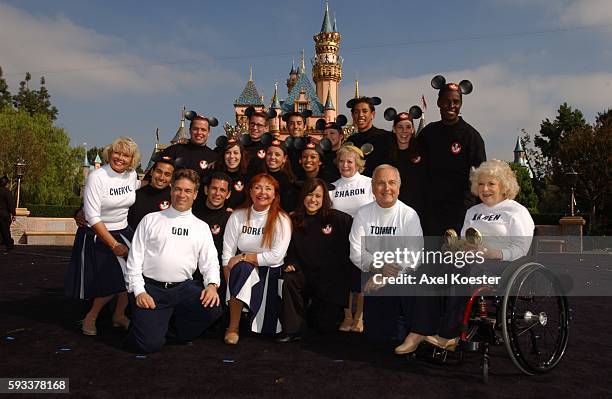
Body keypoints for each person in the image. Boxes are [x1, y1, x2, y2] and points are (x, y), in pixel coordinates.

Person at [427, 160, 535, 350]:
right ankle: (425, 327)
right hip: (472, 261)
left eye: (491, 184)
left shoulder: (516, 211)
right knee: (432, 267)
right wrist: (455, 247)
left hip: (506, 265)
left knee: (460, 271)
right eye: (481, 184)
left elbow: (521, 248)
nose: (485, 189)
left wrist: (494, 253)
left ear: (504, 185)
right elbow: (465, 240)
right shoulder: (472, 211)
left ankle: (449, 335)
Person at [125, 168, 223, 353]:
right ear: (171, 190)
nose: (182, 195)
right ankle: (145, 324)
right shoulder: (150, 220)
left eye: (187, 191)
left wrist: (212, 285)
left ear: (195, 194)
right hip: (151, 290)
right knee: (147, 346)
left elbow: (210, 261)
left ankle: (170, 329)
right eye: (178, 189)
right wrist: (139, 292)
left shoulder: (201, 227)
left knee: (213, 307)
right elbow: (134, 261)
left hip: (183, 290)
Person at [65, 137, 141, 336]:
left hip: (124, 230)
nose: (120, 158)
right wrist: (114, 244)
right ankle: (91, 317)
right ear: (110, 153)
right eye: (117, 153)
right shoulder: (97, 176)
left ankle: (119, 314)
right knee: (112, 278)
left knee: (133, 275)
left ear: (132, 159)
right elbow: (91, 216)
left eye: (126, 155)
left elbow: (139, 186)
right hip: (97, 233)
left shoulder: (131, 175)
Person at [348, 165, 426, 346]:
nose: (386, 188)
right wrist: (378, 267)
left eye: (391, 183)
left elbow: (414, 255)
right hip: (372, 275)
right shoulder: (363, 213)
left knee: (397, 339)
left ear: (399, 187)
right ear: (373, 187)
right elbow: (356, 251)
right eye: (381, 183)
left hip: (400, 279)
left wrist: (387, 275)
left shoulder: (409, 215)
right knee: (375, 340)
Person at [278, 178, 353, 342]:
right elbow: (288, 249)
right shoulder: (293, 220)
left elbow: (357, 238)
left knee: (324, 328)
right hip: (305, 276)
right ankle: (293, 329)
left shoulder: (338, 219)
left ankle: (311, 313)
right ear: (303, 196)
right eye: (309, 195)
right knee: (290, 280)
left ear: (324, 198)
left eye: (318, 196)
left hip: (329, 282)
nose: (313, 200)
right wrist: (291, 263)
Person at [222, 173, 291, 344]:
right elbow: (227, 255)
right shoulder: (238, 216)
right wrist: (231, 285)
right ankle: (233, 327)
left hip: (271, 273)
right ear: (250, 191)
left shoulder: (281, 219)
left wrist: (244, 256)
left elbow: (276, 257)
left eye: (268, 188)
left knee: (266, 332)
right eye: (258, 187)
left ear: (275, 194)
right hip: (241, 271)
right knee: (241, 269)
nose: (262, 192)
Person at [418, 76, 486, 236]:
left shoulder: (472, 136)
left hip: (461, 213)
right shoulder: (428, 133)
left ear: (461, 104)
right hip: (431, 212)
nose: (451, 105)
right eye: (447, 101)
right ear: (439, 103)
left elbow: (481, 177)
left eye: (456, 102)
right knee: (432, 259)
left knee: (458, 259)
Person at [329, 145, 375, 332]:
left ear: (358, 164)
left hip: (365, 237)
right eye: (341, 161)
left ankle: (360, 317)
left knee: (363, 277)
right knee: (345, 279)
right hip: (340, 239)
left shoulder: (369, 183)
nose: (345, 165)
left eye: (350, 161)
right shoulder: (333, 187)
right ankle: (348, 316)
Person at [193, 172, 233, 293]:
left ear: (228, 194)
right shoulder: (191, 214)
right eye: (214, 188)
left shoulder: (231, 219)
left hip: (218, 280)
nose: (217, 194)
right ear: (206, 190)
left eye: (222, 190)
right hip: (190, 276)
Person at [385, 107, 427, 218]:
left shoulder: (422, 152)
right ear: (394, 129)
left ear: (413, 129)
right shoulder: (386, 155)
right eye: (400, 127)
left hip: (418, 211)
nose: (404, 131)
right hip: (393, 211)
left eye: (408, 127)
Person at [346, 96, 392, 177]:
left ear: (372, 114)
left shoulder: (385, 137)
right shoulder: (350, 141)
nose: (360, 115)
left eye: (365, 111)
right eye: (356, 112)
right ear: (353, 116)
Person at [127, 156, 174, 229]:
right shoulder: (135, 195)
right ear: (152, 172)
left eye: (167, 174)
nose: (161, 177)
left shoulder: (175, 198)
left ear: (172, 177)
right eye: (158, 172)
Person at [258, 140, 299, 212]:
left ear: (284, 158)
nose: (272, 157)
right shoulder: (258, 178)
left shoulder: (290, 182)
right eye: (269, 154)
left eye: (277, 155)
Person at [207, 138, 247, 211]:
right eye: (228, 152)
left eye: (236, 153)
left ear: (241, 155)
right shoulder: (214, 173)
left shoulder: (248, 176)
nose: (231, 156)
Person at [0, 175, 16, 252]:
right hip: (4, 215)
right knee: (5, 230)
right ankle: (9, 245)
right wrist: (13, 213)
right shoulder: (6, 192)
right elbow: (10, 204)